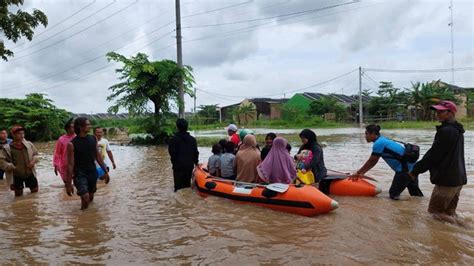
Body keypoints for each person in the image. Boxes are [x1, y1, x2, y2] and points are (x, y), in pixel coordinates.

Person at [409, 101, 466, 225]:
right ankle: (463, 229)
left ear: (451, 113)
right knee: (450, 213)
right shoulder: (457, 130)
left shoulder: (446, 131)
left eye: (441, 111)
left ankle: (467, 231)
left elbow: (433, 155)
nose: (437, 114)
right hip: (458, 179)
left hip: (447, 180)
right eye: (437, 111)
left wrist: (415, 171)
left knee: (435, 212)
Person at [354, 124, 423, 200]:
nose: (365, 136)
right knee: (416, 195)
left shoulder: (378, 143)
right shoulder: (383, 139)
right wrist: (362, 173)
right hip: (413, 168)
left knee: (393, 195)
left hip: (404, 170)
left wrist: (359, 172)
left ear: (373, 133)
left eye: (366, 134)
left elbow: (372, 161)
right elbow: (372, 161)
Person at [67, 117, 110, 210]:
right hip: (79, 174)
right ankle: (82, 218)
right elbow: (70, 164)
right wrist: (68, 183)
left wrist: (105, 171)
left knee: (90, 197)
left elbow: (98, 156)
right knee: (85, 197)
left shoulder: (93, 139)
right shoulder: (71, 144)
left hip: (92, 172)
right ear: (80, 127)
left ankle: (88, 218)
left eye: (89, 124)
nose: (90, 126)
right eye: (87, 124)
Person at [0, 126, 39, 197]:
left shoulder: (29, 144)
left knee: (35, 193)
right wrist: (10, 166)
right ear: (13, 135)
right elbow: (1, 161)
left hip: (30, 173)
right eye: (19, 134)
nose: (22, 135)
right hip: (16, 175)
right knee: (18, 195)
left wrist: (33, 161)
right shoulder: (7, 148)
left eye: (23, 133)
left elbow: (36, 154)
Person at [168, 118, 199, 192]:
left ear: (177, 127)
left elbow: (172, 152)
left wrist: (174, 162)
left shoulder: (173, 139)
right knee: (187, 186)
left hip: (178, 166)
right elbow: (195, 153)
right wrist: (196, 162)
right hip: (189, 166)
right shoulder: (192, 139)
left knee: (178, 188)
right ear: (187, 127)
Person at [53, 119, 76, 184]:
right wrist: (55, 165)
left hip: (76, 164)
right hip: (64, 165)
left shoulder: (77, 138)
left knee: (77, 184)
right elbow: (57, 153)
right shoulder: (61, 139)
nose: (74, 129)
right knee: (67, 184)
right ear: (67, 129)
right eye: (72, 127)